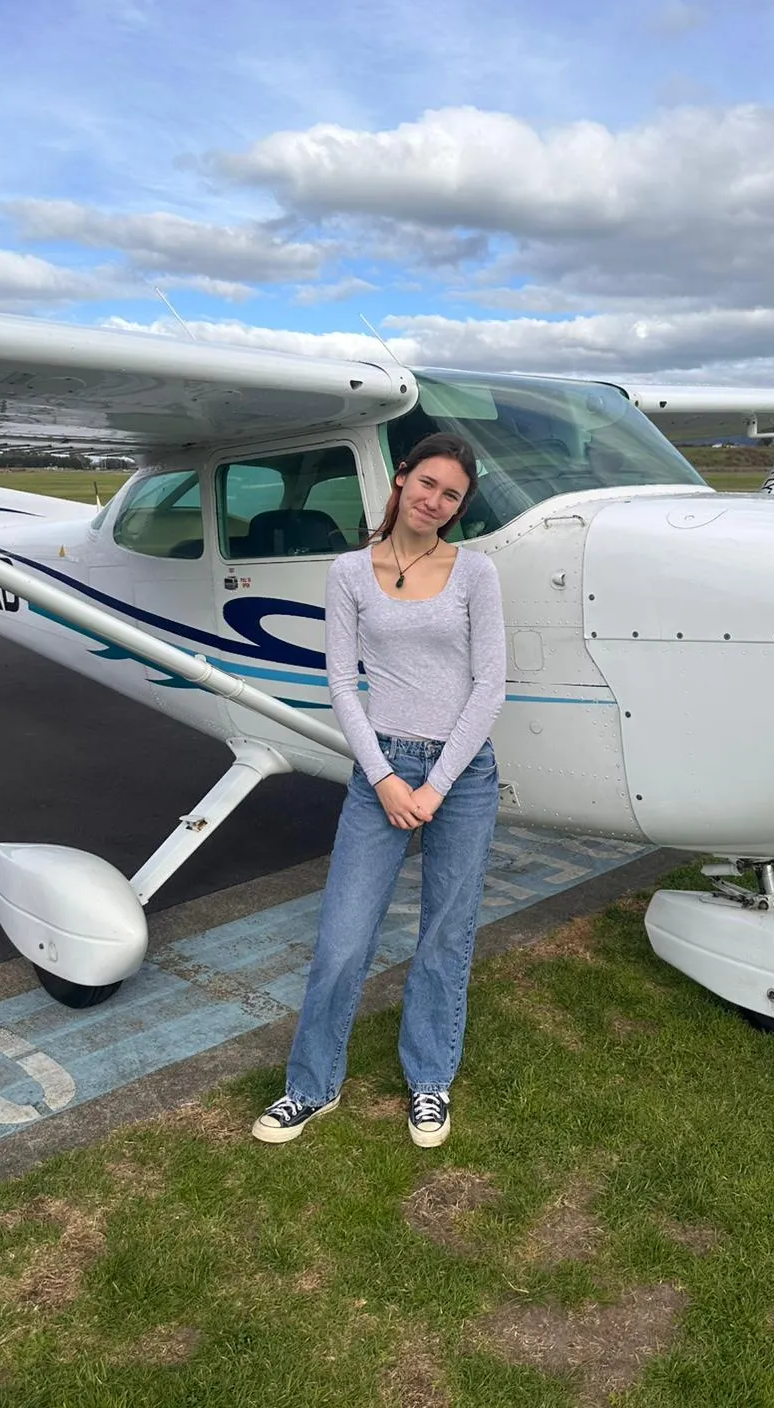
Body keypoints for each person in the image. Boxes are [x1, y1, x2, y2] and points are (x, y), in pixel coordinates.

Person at [252, 432, 506, 1148]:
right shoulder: (350, 571)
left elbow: (490, 687)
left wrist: (435, 787)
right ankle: (310, 1087)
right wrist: (387, 779)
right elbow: (340, 682)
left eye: (451, 495)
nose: (434, 501)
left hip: (463, 774)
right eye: (426, 483)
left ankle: (429, 1082)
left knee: (444, 939)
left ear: (460, 506)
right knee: (342, 940)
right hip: (381, 770)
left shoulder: (474, 573)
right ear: (401, 479)